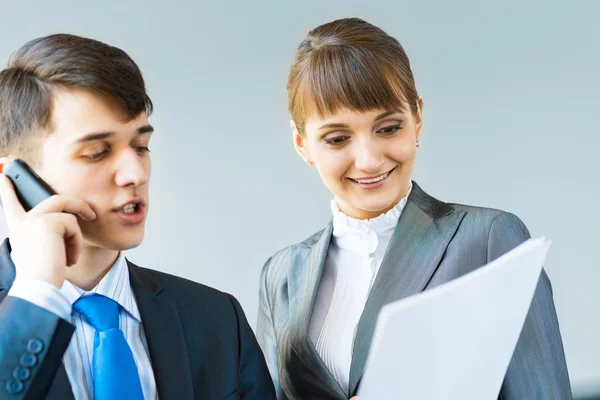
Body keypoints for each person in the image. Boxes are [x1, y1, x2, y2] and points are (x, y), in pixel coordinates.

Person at [256, 17, 572, 399]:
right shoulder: (282, 276)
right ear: (301, 142)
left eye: (388, 128)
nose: (369, 160)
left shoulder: (489, 240)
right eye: (338, 139)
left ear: (417, 118)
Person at [0, 34, 275, 400]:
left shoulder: (217, 320)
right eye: (97, 152)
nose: (136, 173)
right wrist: (36, 295)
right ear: (16, 178)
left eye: (141, 146)